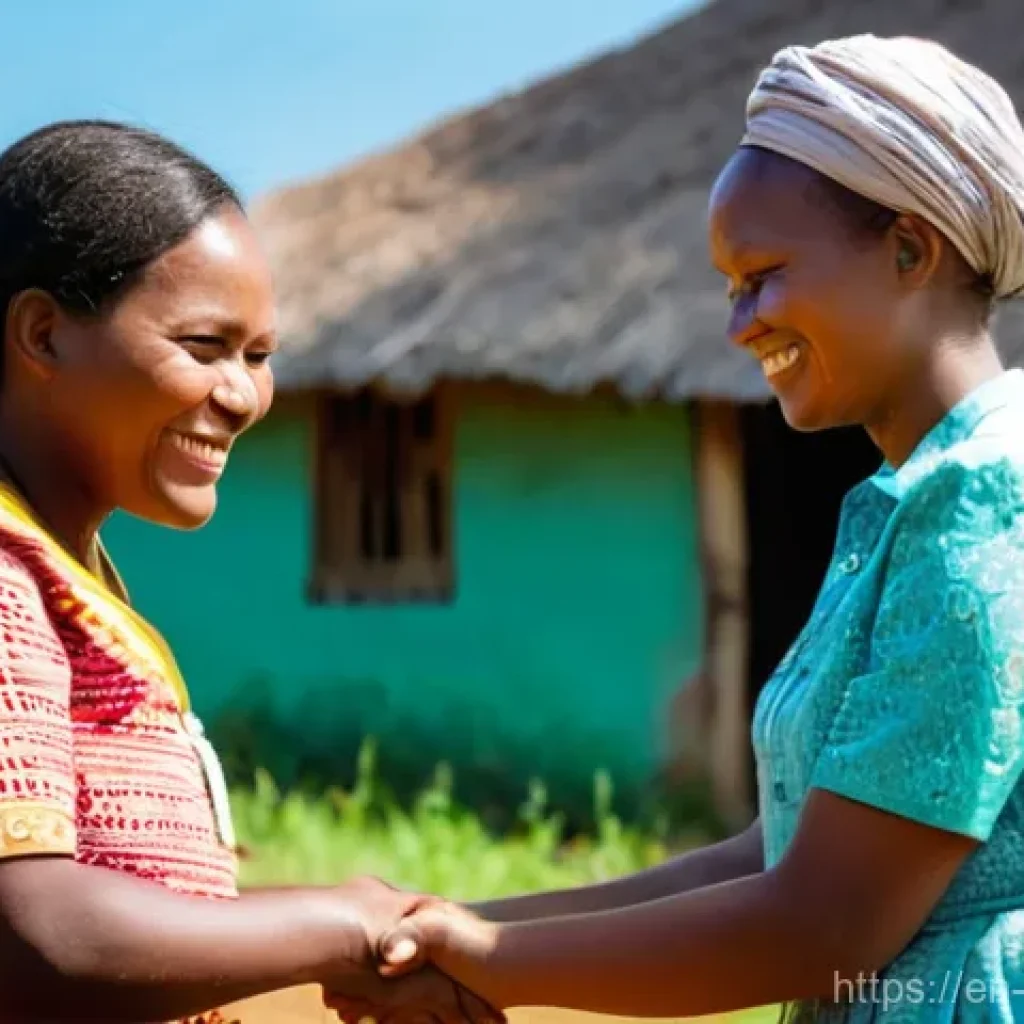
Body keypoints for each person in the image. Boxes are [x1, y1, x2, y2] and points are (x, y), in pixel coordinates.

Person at [356, 34, 1024, 1023]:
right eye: (728, 286)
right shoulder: (901, 502)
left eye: (761, 274)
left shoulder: (982, 505)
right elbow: (783, 849)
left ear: (909, 248)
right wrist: (473, 925)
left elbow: (822, 925)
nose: (738, 323)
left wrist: (495, 961)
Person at [0, 119, 500, 1024]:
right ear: (42, 334)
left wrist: (355, 918)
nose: (242, 397)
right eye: (203, 346)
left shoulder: (69, 572)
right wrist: (342, 927)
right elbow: (33, 934)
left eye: (260, 357)